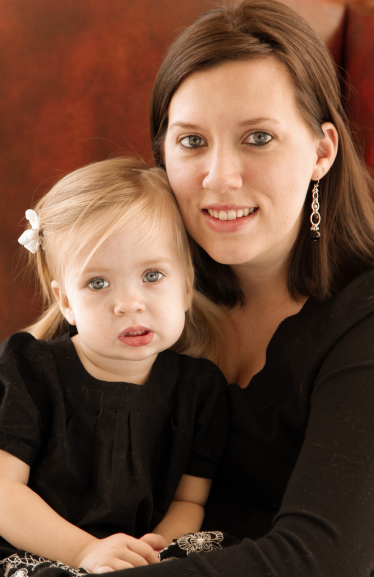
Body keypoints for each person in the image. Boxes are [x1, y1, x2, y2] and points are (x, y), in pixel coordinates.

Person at [99, 0, 374, 576]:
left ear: (322, 151)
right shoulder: (142, 290)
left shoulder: (363, 317)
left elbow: (324, 559)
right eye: (192, 142)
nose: (219, 177)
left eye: (258, 138)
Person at [0, 158, 229, 576]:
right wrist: (83, 553)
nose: (129, 302)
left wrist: (156, 548)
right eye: (98, 283)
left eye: (152, 275)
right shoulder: (28, 371)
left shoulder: (199, 390)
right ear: (66, 301)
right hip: (37, 550)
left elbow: (190, 501)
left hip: (138, 558)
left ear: (186, 285)